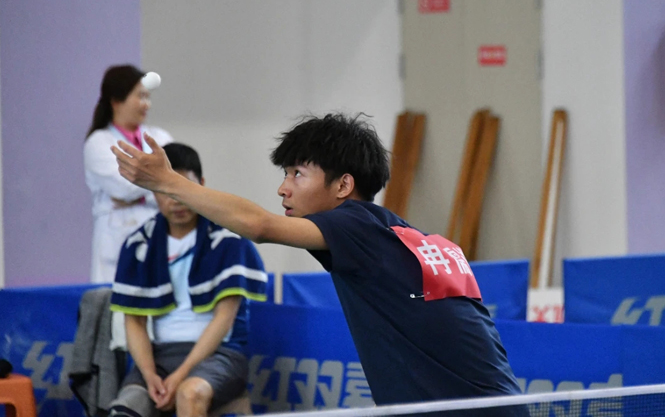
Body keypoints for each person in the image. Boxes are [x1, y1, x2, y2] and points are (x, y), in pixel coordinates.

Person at [112, 113, 527, 412]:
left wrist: (168, 182)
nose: (283, 188)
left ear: (344, 185)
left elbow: (258, 225)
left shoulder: (356, 226)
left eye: (297, 174)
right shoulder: (404, 237)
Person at [109, 142, 267, 417]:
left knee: (189, 393)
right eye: (164, 190)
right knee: (124, 409)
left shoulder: (228, 239)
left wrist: (181, 374)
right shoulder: (138, 244)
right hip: (159, 357)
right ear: (152, 192)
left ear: (201, 186)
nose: (175, 200)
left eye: (182, 188)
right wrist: (149, 375)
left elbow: (224, 319)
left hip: (221, 354)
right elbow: (134, 321)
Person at [85, 65, 173, 283]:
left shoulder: (161, 138)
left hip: (159, 232)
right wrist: (159, 188)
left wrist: (142, 193)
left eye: (148, 97)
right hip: (116, 239)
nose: (146, 104)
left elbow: (176, 181)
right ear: (116, 101)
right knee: (114, 300)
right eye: (140, 96)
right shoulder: (98, 142)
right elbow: (122, 187)